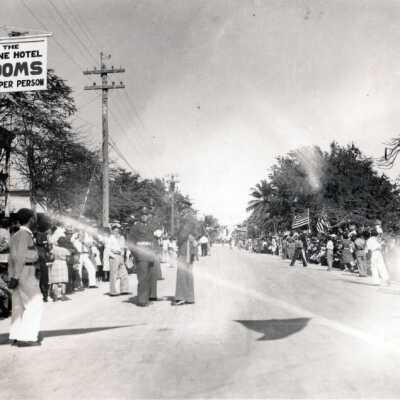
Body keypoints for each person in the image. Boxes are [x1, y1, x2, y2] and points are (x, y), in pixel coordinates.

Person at [8, 208, 42, 347]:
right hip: (26, 270)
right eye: (34, 218)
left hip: (18, 271)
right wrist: (16, 276)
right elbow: (21, 256)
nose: (35, 220)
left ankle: (17, 334)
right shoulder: (24, 234)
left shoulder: (16, 234)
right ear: (30, 219)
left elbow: (12, 258)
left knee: (18, 305)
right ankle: (27, 337)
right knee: (35, 302)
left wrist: (12, 276)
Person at [128, 216, 159, 306]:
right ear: (140, 216)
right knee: (142, 278)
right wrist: (135, 255)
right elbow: (130, 242)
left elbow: (153, 241)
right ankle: (142, 300)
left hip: (150, 255)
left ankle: (146, 298)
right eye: (142, 214)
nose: (145, 217)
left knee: (149, 277)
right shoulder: (135, 227)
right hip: (141, 255)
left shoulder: (150, 226)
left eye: (146, 214)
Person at [173, 231, 196, 306]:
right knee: (187, 277)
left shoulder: (186, 237)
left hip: (185, 257)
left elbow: (178, 243)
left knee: (183, 277)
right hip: (187, 257)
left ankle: (183, 298)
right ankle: (188, 298)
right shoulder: (190, 237)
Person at [108, 225, 130, 296]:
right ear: (112, 231)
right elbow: (107, 249)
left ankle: (124, 290)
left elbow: (123, 247)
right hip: (114, 256)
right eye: (115, 231)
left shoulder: (121, 238)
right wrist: (113, 256)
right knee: (113, 275)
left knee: (124, 273)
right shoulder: (110, 238)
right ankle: (113, 291)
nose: (116, 232)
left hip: (121, 256)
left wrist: (123, 256)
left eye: (117, 231)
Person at [49, 237, 70, 302]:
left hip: (56, 263)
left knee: (55, 281)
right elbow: (68, 259)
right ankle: (63, 296)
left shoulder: (54, 249)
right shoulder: (66, 250)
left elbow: (51, 257)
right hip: (63, 263)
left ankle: (55, 296)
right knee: (63, 280)